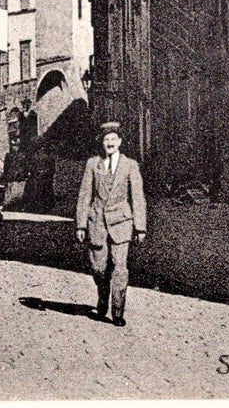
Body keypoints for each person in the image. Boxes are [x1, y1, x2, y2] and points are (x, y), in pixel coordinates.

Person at [75, 122, 146, 327]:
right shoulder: (93, 164)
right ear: (102, 142)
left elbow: (138, 198)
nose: (110, 143)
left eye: (113, 139)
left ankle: (117, 312)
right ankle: (102, 299)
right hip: (97, 222)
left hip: (121, 223)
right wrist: (81, 225)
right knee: (98, 268)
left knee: (120, 268)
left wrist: (140, 227)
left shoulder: (130, 165)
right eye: (106, 140)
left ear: (120, 142)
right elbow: (84, 195)